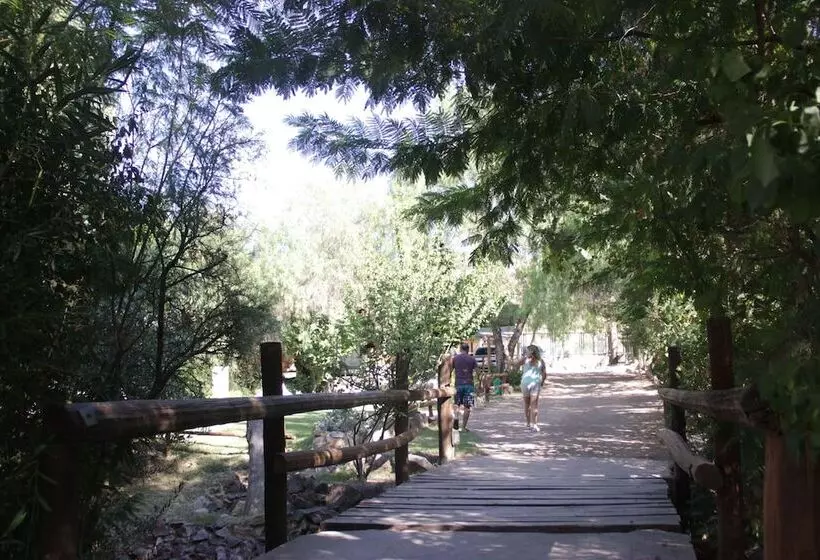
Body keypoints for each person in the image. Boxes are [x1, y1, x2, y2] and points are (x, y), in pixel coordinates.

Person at [515, 345, 547, 432]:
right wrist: (542, 382)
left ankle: (528, 424)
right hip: (535, 383)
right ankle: (535, 425)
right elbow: (544, 374)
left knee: (526, 404)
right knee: (534, 405)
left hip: (525, 383)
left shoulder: (525, 360)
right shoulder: (541, 361)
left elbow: (516, 364)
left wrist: (524, 357)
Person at [450, 342, 477, 431]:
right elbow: (478, 372)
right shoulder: (472, 359)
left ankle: (456, 418)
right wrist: (479, 382)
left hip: (458, 384)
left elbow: (450, 370)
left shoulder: (455, 359)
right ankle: (464, 427)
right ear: (468, 350)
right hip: (469, 384)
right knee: (467, 407)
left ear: (460, 349)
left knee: (456, 404)